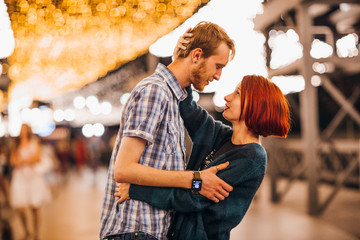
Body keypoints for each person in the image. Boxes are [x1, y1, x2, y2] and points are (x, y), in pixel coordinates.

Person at [100, 21, 236, 240]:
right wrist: (197, 180)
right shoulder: (155, 91)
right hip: (136, 229)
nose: (218, 75)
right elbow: (124, 170)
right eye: (218, 66)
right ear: (197, 55)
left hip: (148, 230)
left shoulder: (172, 97)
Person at [115, 74, 291, 240]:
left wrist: (136, 190)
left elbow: (194, 197)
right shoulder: (221, 136)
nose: (227, 97)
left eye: (237, 93)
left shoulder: (252, 157)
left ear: (255, 105)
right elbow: (190, 109)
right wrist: (187, 71)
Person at [9, 124, 51, 240]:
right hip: (20, 177)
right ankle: (26, 230)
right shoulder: (16, 144)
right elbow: (13, 160)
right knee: (20, 208)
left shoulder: (34, 143)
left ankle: (36, 232)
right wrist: (26, 161)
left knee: (35, 207)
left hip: (33, 177)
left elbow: (37, 158)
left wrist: (22, 160)